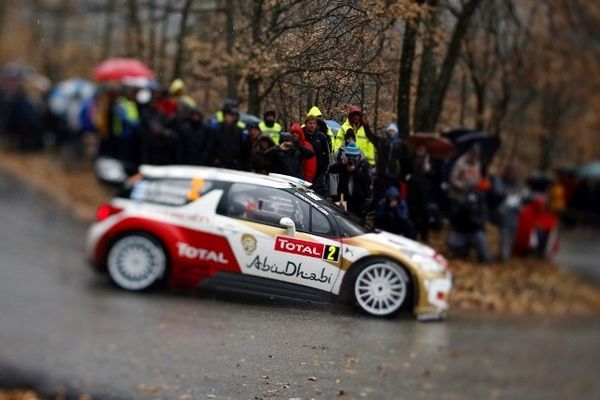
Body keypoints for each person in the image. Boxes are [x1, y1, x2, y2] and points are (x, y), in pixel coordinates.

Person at [365, 122, 412, 203]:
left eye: (393, 131)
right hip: (381, 175)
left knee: (391, 198)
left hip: (393, 177)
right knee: (378, 197)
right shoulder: (382, 142)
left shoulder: (401, 145)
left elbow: (406, 161)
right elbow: (371, 136)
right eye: (390, 131)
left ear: (396, 132)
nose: (391, 133)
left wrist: (404, 175)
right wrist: (366, 126)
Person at [446, 183, 492, 263]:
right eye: (471, 204)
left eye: (474, 204)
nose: (473, 206)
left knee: (486, 258)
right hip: (462, 232)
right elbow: (453, 219)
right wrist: (465, 212)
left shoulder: (482, 206)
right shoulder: (462, 206)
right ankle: (464, 252)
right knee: (451, 242)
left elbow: (481, 221)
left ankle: (481, 256)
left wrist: (472, 217)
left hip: (476, 233)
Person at [328, 141, 371, 219]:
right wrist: (341, 164)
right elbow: (331, 170)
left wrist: (354, 170)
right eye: (349, 157)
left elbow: (366, 179)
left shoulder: (363, 164)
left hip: (358, 200)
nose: (351, 159)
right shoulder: (344, 164)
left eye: (353, 157)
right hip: (344, 198)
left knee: (358, 222)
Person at [407, 144, 433, 242]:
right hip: (413, 188)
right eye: (420, 148)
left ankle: (424, 233)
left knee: (424, 212)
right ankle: (414, 233)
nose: (421, 149)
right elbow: (408, 170)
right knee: (413, 211)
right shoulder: (412, 157)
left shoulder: (428, 159)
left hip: (424, 189)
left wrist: (428, 168)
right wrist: (409, 177)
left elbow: (432, 174)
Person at [303, 114, 331, 197]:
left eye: (313, 123)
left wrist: (323, 171)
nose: (312, 125)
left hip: (319, 173)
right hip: (303, 172)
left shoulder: (321, 137)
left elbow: (327, 155)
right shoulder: (301, 135)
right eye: (310, 123)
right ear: (306, 124)